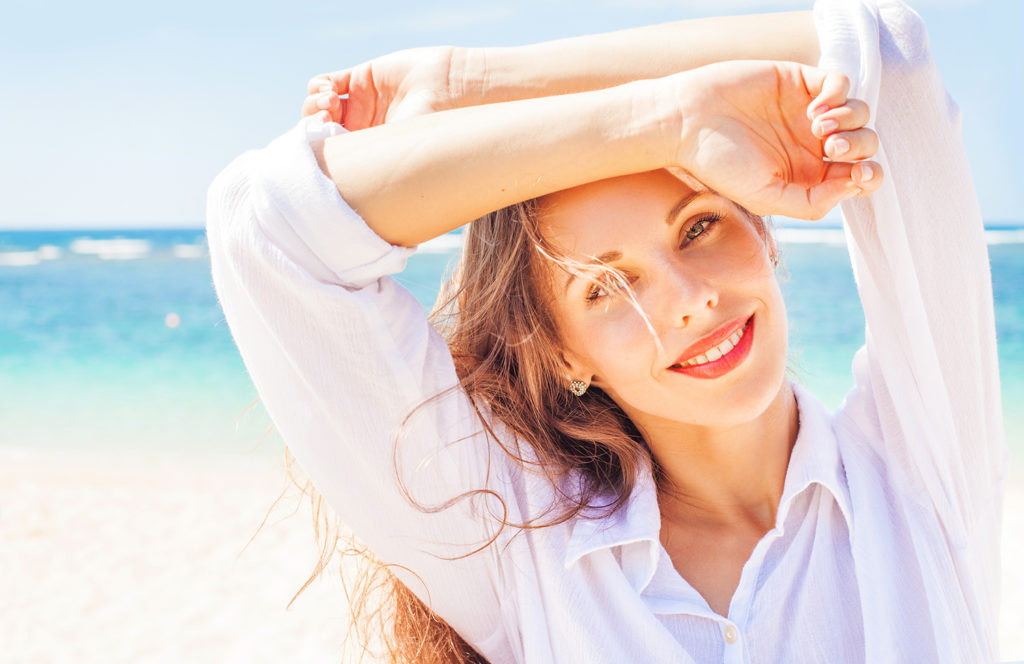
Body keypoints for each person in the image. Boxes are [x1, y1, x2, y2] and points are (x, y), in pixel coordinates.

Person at [206, 0, 1007, 661]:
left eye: (698, 228)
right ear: (562, 352)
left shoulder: (916, 478)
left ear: (764, 231)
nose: (689, 301)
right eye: (607, 287)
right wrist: (665, 119)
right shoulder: (519, 556)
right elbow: (266, 233)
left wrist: (476, 83)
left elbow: (888, 63)